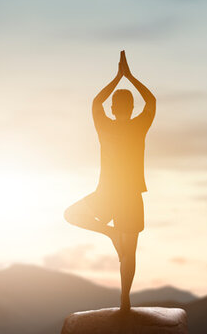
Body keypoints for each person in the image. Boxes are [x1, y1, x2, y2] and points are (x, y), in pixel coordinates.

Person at [64, 50, 156, 312]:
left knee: (71, 215)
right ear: (131, 108)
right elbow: (151, 100)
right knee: (129, 253)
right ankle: (124, 298)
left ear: (115, 109)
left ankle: (110, 233)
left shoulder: (104, 126)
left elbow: (96, 102)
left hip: (106, 194)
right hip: (128, 196)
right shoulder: (139, 126)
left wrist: (118, 78)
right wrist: (130, 77)